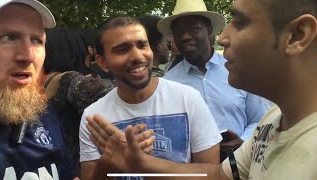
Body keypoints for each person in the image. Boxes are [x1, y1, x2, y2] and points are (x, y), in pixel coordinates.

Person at [88, 0, 317, 179]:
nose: (225, 37)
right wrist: (141, 163)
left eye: (239, 22)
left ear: (298, 35)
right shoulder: (271, 125)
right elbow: (217, 175)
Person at [79, 16, 222, 180]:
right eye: (122, 49)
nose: (138, 56)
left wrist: (144, 163)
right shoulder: (94, 118)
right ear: (103, 63)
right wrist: (109, 162)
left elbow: (212, 174)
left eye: (142, 45)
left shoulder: (188, 99)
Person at [159, 0, 271, 155]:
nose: (185, 36)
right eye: (179, 31)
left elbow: (261, 119)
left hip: (242, 166)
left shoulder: (241, 70)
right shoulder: (168, 83)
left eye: (194, 28)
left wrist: (242, 143)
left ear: (209, 30)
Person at [0, 0, 77, 179]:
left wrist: (106, 167)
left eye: (37, 40)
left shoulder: (45, 114)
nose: (28, 55)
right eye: (9, 37)